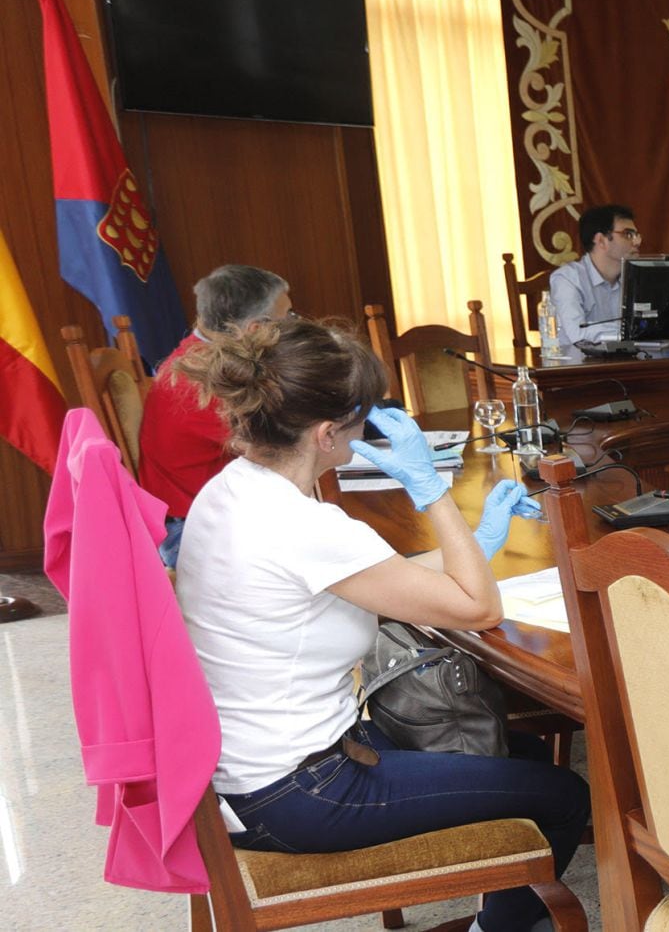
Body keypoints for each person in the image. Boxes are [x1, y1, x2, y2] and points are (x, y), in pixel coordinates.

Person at [172, 318, 590, 932]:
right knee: (564, 795)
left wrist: (473, 543)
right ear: (325, 433)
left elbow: (371, 575)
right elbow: (480, 609)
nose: (369, 425)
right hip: (299, 794)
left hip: (252, 772)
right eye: (361, 415)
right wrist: (432, 493)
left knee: (513, 748)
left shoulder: (233, 491)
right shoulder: (305, 526)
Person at [139, 264, 292, 566]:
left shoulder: (202, 356)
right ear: (256, 329)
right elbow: (278, 446)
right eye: (287, 319)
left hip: (212, 514)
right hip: (195, 534)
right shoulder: (206, 380)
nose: (291, 328)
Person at [549, 203, 641, 348]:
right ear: (601, 240)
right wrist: (633, 332)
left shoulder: (634, 278)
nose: (637, 242)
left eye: (636, 235)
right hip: (578, 365)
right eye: (628, 234)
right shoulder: (567, 279)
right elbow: (578, 334)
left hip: (625, 362)